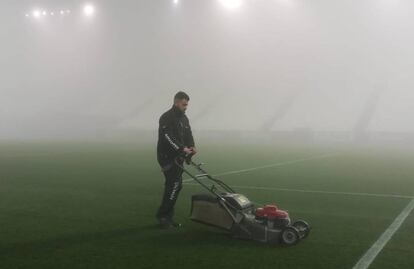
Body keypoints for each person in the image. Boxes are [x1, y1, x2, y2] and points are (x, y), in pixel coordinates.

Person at [156, 91, 197, 229]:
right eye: (184, 104)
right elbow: (167, 137)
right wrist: (181, 149)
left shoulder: (184, 119)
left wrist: (192, 146)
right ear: (176, 102)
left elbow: (188, 134)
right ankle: (163, 217)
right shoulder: (166, 117)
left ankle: (167, 216)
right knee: (173, 185)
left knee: (176, 186)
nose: (186, 107)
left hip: (178, 157)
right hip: (167, 157)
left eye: (187, 105)